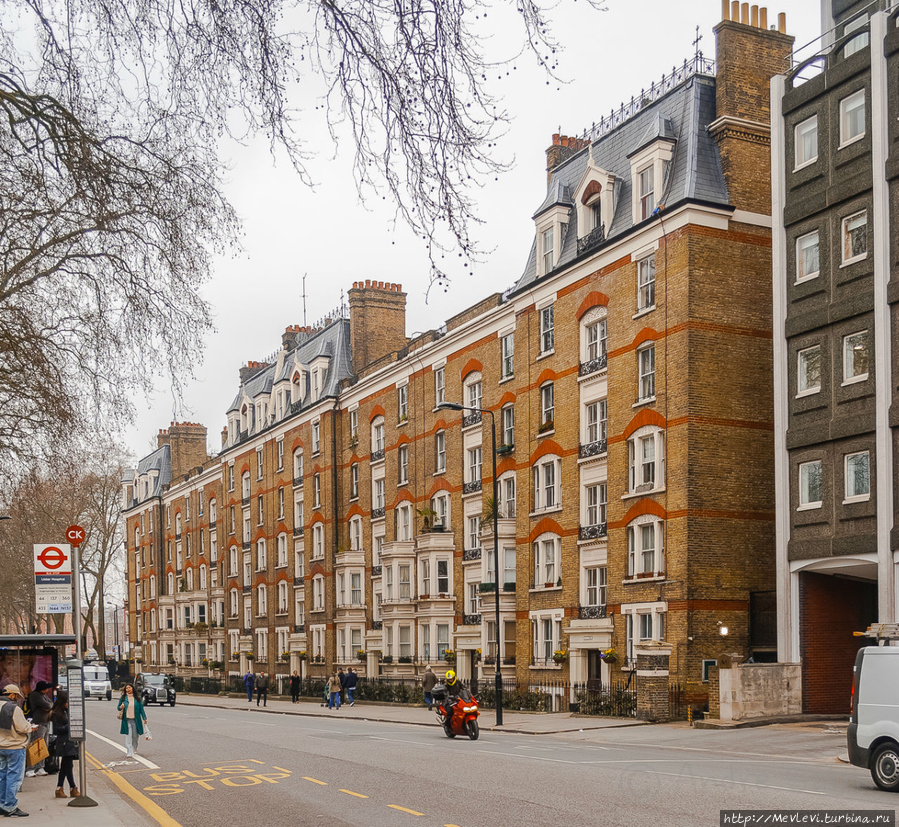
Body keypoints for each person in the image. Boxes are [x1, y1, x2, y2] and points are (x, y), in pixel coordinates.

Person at [0, 684, 37, 817]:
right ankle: (10, 806)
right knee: (14, 777)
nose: (17, 699)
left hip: (1, 746)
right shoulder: (14, 708)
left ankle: (1, 804)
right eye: (16, 696)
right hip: (15, 746)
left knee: (2, 776)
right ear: (11, 694)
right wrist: (31, 727)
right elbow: (22, 727)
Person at [49, 692, 79, 799]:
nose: (68, 703)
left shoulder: (65, 711)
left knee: (66, 766)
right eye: (67, 701)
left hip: (68, 742)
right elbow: (57, 730)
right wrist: (69, 726)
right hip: (64, 742)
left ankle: (61, 788)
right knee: (67, 766)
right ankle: (72, 788)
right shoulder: (57, 713)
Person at [24, 681, 53, 778]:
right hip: (38, 723)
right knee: (35, 745)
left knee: (43, 746)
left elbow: (50, 704)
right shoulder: (35, 695)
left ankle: (40, 767)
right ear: (42, 688)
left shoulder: (43, 695)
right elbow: (48, 705)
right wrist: (48, 708)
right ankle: (30, 768)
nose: (48, 690)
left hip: (45, 722)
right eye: (46, 688)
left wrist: (48, 707)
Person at [116, 683, 147, 759]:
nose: (128, 689)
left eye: (129, 688)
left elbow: (141, 709)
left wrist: (144, 718)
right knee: (128, 736)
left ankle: (134, 747)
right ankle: (129, 751)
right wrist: (121, 706)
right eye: (127, 688)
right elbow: (118, 708)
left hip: (135, 720)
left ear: (132, 688)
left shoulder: (137, 698)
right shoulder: (123, 698)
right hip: (126, 720)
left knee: (135, 736)